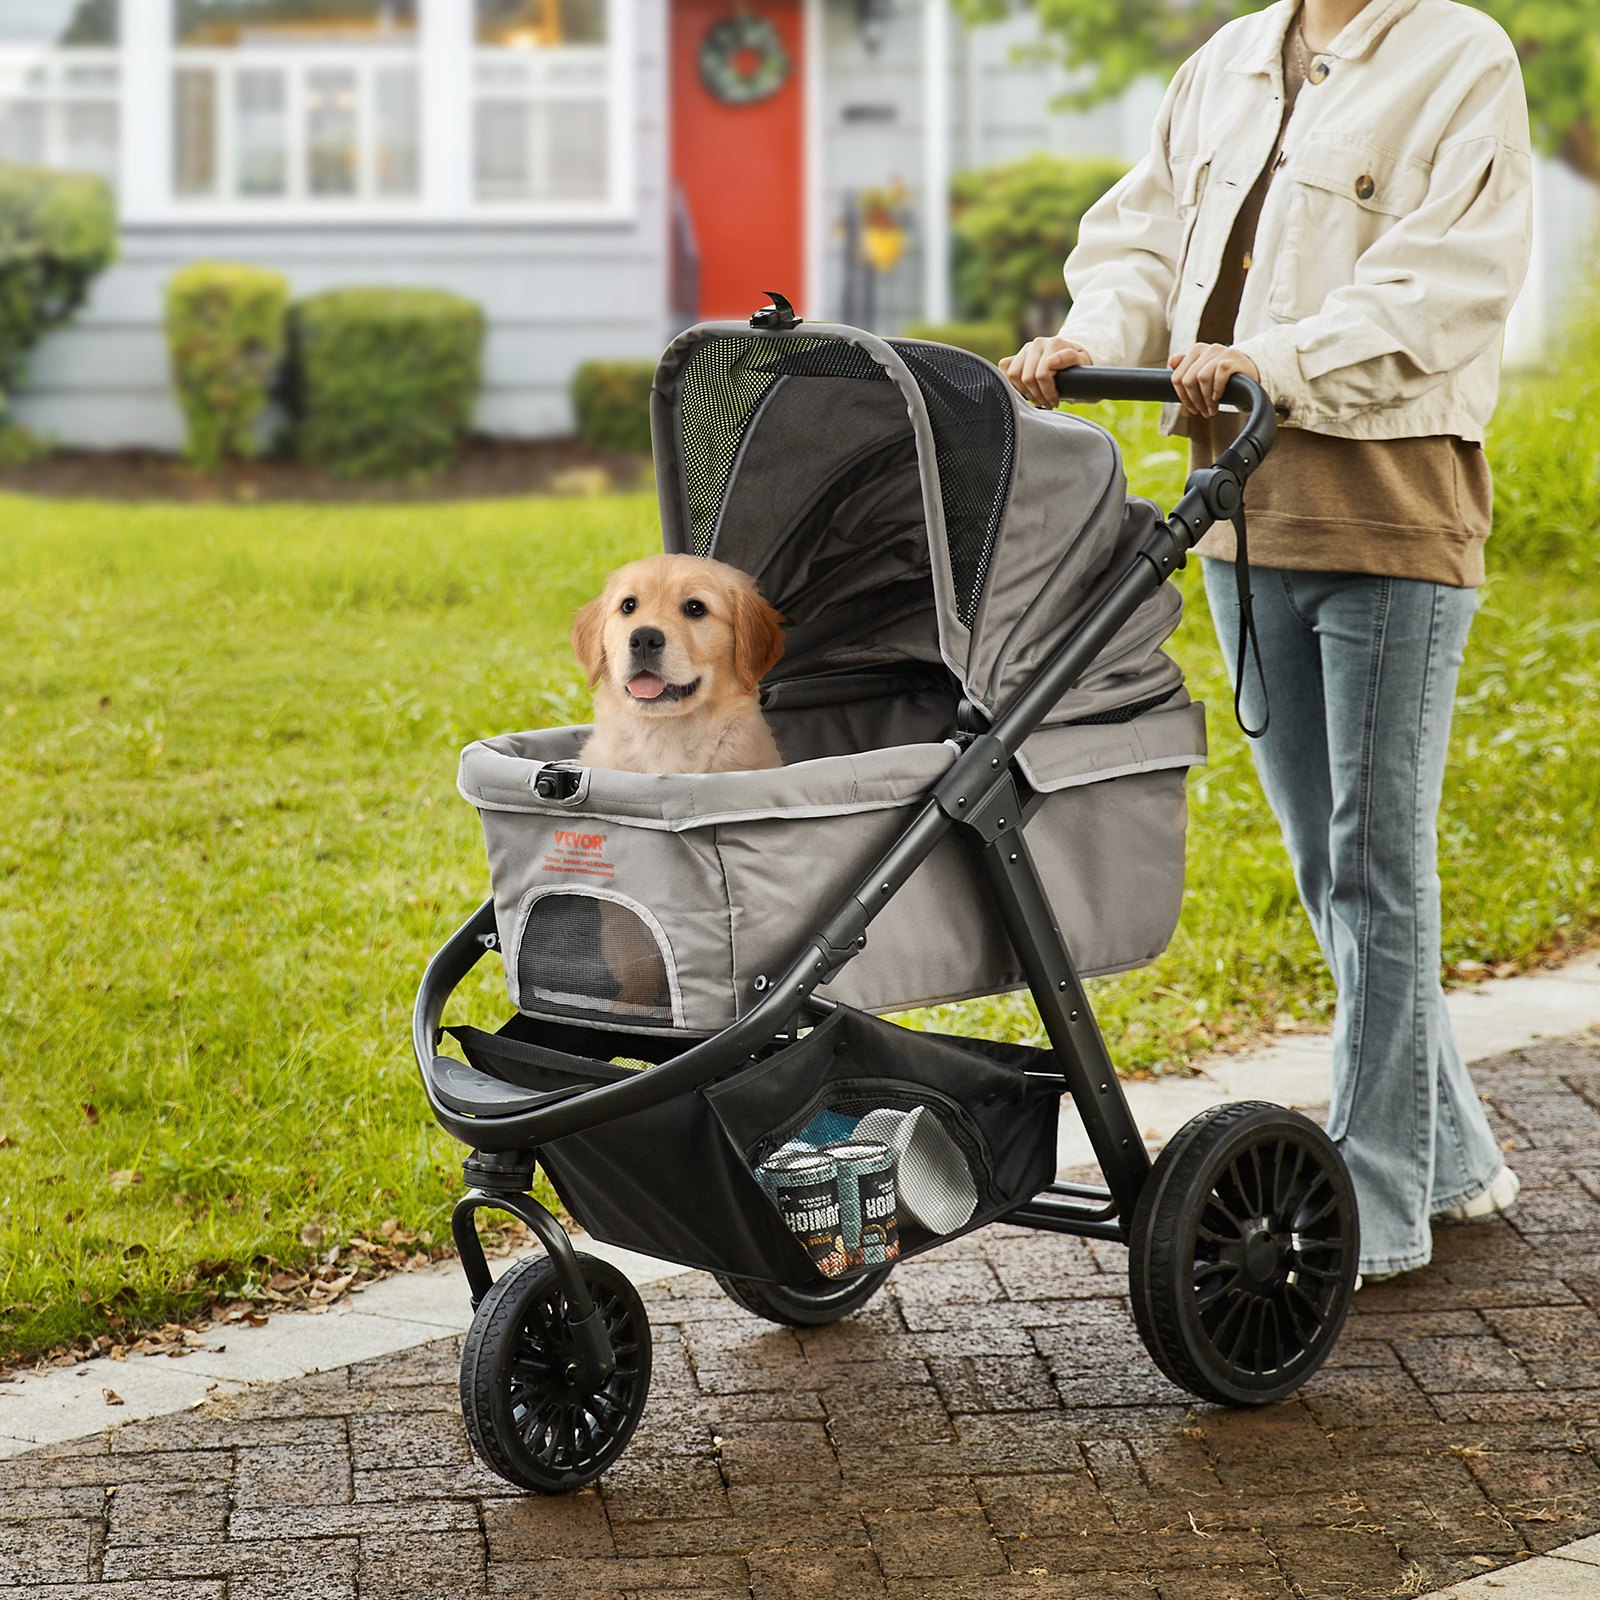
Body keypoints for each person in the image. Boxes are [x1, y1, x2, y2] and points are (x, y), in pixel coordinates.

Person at [1001, 0, 1533, 1282]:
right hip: (1241, 513)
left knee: (1375, 863)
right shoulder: (1227, 60)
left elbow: (1449, 280)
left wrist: (1272, 360)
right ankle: (1453, 1156)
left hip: (1390, 511)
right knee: (1325, 862)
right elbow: (1142, 235)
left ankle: (1380, 1195)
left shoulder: (1460, 55)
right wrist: (1092, 335)